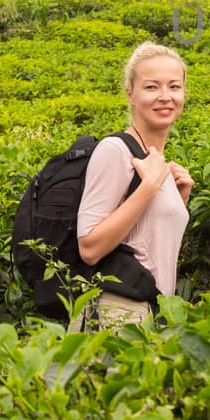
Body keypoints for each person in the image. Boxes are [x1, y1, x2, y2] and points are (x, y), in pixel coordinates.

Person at [74, 41, 193, 328]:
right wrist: (149, 187)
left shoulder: (156, 162)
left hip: (152, 311)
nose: (165, 97)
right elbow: (89, 247)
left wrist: (179, 199)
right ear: (130, 94)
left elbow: (147, 242)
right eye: (151, 87)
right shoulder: (115, 151)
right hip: (118, 311)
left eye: (174, 87)